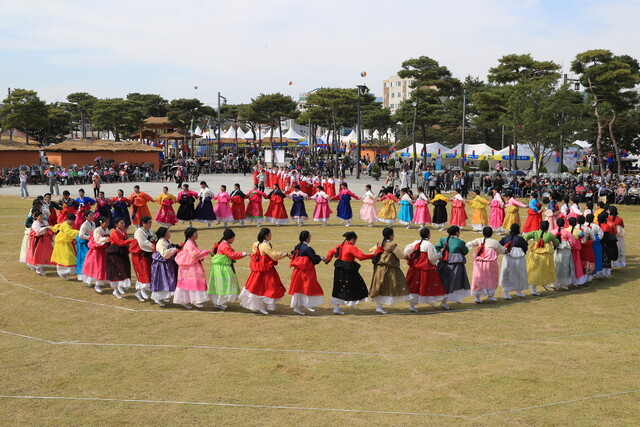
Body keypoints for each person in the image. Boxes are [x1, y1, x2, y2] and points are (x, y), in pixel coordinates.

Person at [240, 228, 290, 314]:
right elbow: (274, 255)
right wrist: (285, 254)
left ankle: (260, 306)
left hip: (261, 269)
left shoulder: (258, 244)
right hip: (265, 270)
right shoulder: (265, 245)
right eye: (269, 234)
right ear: (266, 235)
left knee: (259, 287)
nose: (271, 235)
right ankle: (260, 307)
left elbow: (256, 249)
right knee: (265, 288)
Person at [326, 231, 375, 314]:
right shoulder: (351, 247)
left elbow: (331, 251)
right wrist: (373, 255)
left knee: (338, 287)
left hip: (339, 267)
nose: (355, 242)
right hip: (348, 269)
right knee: (356, 284)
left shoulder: (341, 245)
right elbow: (361, 257)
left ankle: (336, 308)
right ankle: (351, 301)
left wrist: (328, 259)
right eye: (355, 240)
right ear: (352, 239)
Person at [404, 228, 449, 311]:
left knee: (415, 287)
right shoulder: (429, 244)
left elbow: (407, 249)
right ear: (428, 235)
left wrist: (408, 255)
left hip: (415, 268)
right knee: (436, 285)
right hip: (426, 269)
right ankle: (443, 302)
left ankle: (412, 305)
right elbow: (432, 258)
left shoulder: (416, 242)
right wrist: (439, 256)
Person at [369, 227, 410, 314]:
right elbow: (400, 255)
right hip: (388, 269)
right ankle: (379, 307)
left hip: (379, 268)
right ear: (391, 236)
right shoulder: (392, 245)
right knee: (392, 285)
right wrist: (407, 257)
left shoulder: (380, 243)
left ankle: (379, 306)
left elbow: (373, 251)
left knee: (380, 286)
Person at [207, 228, 248, 310]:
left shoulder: (223, 244)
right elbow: (231, 255)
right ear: (230, 238)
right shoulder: (224, 245)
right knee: (224, 284)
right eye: (233, 238)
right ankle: (218, 302)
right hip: (222, 267)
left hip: (222, 266)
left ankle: (219, 302)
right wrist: (243, 253)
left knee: (222, 284)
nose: (233, 240)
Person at [289, 230, 326, 315]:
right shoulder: (308, 248)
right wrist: (321, 258)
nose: (310, 238)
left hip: (297, 271)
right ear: (307, 238)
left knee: (298, 289)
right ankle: (307, 304)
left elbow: (293, 253)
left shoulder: (298, 246)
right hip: (306, 272)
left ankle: (298, 307)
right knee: (307, 287)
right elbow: (314, 260)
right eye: (309, 236)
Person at [466, 226, 505, 303]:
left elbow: (469, 244)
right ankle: (490, 295)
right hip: (491, 263)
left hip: (479, 263)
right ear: (491, 233)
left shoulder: (480, 240)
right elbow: (502, 250)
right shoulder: (495, 242)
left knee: (478, 278)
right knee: (491, 278)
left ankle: (477, 297)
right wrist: (495, 253)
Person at [174, 227, 211, 308]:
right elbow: (194, 254)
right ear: (191, 235)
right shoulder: (189, 243)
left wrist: (203, 252)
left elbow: (197, 252)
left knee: (192, 282)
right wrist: (206, 252)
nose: (197, 235)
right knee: (192, 282)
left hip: (192, 265)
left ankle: (191, 300)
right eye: (195, 233)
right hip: (189, 266)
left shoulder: (193, 242)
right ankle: (193, 300)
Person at [435, 226, 470, 303]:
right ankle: (454, 298)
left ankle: (446, 298)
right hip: (456, 264)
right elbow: (465, 251)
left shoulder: (443, 240)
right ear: (457, 233)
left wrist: (441, 254)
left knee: (444, 280)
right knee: (456, 281)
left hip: (444, 263)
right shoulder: (460, 242)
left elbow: (436, 247)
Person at [523, 221, 559, 295]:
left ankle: (533, 289)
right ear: (547, 227)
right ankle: (544, 283)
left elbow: (525, 237)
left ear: (540, 226)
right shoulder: (549, 235)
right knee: (546, 270)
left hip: (534, 255)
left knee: (533, 271)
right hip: (545, 256)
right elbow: (556, 243)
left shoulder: (535, 233)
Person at [150, 227, 179, 307]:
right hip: (161, 265)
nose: (169, 233)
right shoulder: (160, 243)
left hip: (167, 264)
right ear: (164, 234)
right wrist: (174, 249)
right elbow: (165, 254)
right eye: (168, 232)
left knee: (168, 280)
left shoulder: (167, 241)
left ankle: (165, 295)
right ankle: (158, 298)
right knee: (162, 280)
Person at [498, 223, 529, 299]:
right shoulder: (521, 239)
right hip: (519, 260)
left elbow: (499, 245)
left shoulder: (505, 238)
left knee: (507, 274)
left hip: (507, 259)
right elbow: (525, 247)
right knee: (519, 274)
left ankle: (506, 293)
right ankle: (519, 291)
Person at [81, 216, 111, 293]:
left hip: (103, 250)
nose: (107, 224)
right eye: (106, 222)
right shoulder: (97, 230)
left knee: (102, 267)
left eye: (108, 222)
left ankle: (91, 280)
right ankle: (97, 285)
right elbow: (97, 240)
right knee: (97, 267)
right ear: (101, 223)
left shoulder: (106, 229)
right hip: (96, 251)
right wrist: (105, 239)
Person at [130, 216, 156, 302]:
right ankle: (141, 290)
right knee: (142, 272)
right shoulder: (139, 231)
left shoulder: (150, 231)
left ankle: (140, 291)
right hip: (140, 255)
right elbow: (142, 243)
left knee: (148, 272)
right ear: (143, 223)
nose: (150, 224)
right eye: (148, 222)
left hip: (148, 254)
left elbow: (153, 238)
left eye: (150, 222)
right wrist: (153, 246)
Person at [107, 218, 133, 298]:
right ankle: (116, 289)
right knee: (117, 270)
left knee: (124, 268)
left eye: (123, 222)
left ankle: (120, 286)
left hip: (122, 252)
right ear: (116, 224)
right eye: (121, 223)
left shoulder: (123, 231)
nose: (123, 224)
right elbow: (119, 242)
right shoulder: (114, 232)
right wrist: (130, 241)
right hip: (115, 252)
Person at [51, 213, 80, 280]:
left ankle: (67, 272)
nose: (73, 223)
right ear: (68, 219)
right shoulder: (65, 225)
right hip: (61, 244)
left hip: (66, 243)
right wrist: (79, 232)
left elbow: (56, 227)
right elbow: (69, 232)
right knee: (65, 257)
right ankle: (62, 272)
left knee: (68, 257)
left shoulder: (65, 224)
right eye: (72, 221)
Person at [26, 211, 54, 276]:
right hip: (38, 241)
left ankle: (42, 267)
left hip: (45, 240)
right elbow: (38, 231)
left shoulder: (45, 222)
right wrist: (46, 228)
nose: (42, 217)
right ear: (36, 217)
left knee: (45, 253)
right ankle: (38, 267)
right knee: (38, 253)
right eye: (40, 216)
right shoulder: (35, 223)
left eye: (42, 216)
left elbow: (49, 230)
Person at [75, 209, 95, 281]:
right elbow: (80, 235)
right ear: (86, 217)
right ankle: (80, 273)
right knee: (83, 257)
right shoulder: (84, 225)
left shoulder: (93, 223)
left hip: (90, 242)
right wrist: (89, 237)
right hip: (83, 243)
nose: (92, 216)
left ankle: (88, 273)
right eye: (90, 215)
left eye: (93, 215)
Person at [566, 217, 586, 286]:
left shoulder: (566, 230)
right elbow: (583, 240)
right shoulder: (579, 231)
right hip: (576, 250)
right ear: (576, 223)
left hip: (567, 249)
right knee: (577, 263)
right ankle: (576, 280)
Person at [598, 212, 618, 278]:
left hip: (598, 243)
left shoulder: (596, 225)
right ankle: (606, 273)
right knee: (606, 257)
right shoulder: (607, 226)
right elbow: (610, 233)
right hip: (605, 243)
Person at [585, 214, 604, 278]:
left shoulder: (583, 225)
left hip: (586, 244)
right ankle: (594, 273)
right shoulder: (596, 226)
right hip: (593, 244)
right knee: (594, 258)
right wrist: (595, 239)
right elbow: (601, 235)